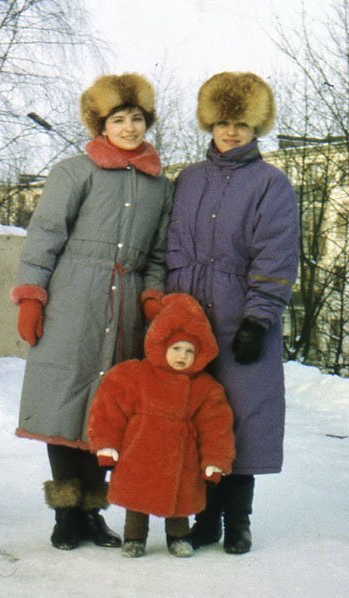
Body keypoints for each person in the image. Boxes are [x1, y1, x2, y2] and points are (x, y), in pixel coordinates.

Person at [10, 73, 174, 551]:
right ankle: (65, 515)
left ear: (148, 123)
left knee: (110, 411)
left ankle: (92, 513)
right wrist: (31, 296)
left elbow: (160, 256)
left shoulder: (160, 186)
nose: (128, 127)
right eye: (118, 119)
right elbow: (45, 237)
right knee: (65, 401)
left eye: (137, 119)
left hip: (126, 305)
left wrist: (152, 297)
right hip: (73, 300)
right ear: (101, 125)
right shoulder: (73, 172)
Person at [166, 71, 299, 554]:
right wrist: (167, 308)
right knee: (195, 416)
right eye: (223, 121)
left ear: (256, 127)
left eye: (242, 123)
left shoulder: (271, 184)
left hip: (241, 318)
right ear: (210, 123)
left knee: (242, 418)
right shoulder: (189, 180)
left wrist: (257, 317)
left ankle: (238, 520)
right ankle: (205, 518)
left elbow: (277, 253)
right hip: (188, 321)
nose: (231, 132)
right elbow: (171, 246)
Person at [87, 293, 235, 558]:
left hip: (181, 459)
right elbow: (109, 409)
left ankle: (178, 536)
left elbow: (216, 426)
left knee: (178, 501)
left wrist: (215, 460)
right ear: (161, 345)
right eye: (177, 348)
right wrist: (106, 445)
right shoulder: (134, 375)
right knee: (137, 498)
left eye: (190, 351)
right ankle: (134, 537)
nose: (183, 356)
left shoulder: (205, 388)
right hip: (139, 453)